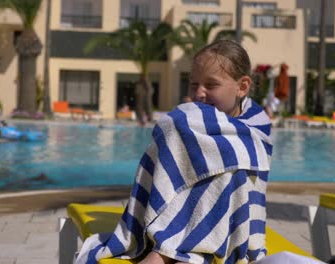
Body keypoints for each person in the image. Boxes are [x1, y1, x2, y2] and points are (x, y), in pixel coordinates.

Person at [75, 40, 273, 263]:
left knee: (230, 168)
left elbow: (248, 186)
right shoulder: (190, 119)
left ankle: (175, 250)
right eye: (193, 84)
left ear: (242, 87)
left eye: (211, 85)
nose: (199, 93)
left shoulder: (254, 127)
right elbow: (165, 150)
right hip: (171, 222)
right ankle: (173, 247)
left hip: (232, 226)